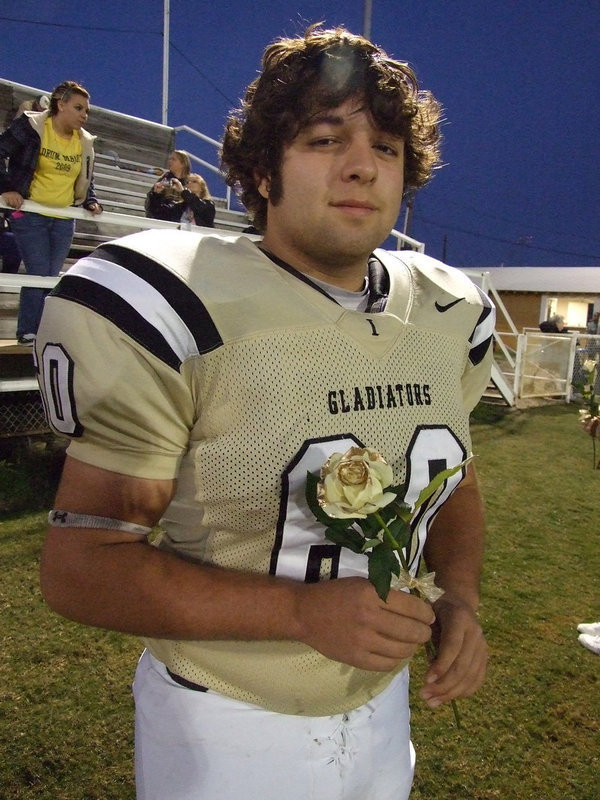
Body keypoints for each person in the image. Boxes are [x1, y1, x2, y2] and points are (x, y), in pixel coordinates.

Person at [35, 26, 494, 800]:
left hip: (383, 707)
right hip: (226, 719)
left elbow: (459, 481)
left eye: (386, 148)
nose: (361, 165)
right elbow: (80, 568)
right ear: (259, 170)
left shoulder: (448, 308)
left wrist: (462, 596)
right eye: (324, 139)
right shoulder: (178, 303)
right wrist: (299, 613)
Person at [0, 80, 102, 345]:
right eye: (79, 108)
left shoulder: (85, 141)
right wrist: (8, 188)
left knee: (51, 274)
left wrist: (90, 200)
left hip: (65, 216)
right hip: (30, 212)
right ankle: (28, 332)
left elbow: (87, 176)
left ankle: (43, 331)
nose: (84, 115)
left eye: (86, 110)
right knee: (39, 270)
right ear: (61, 104)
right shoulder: (32, 126)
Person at [145, 150, 192, 222]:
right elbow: (151, 203)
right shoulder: (165, 178)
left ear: (183, 163)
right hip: (163, 219)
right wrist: (156, 193)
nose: (170, 161)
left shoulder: (191, 181)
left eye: (173, 159)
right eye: (170, 159)